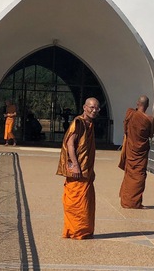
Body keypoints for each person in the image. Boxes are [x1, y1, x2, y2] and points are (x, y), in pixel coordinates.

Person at [57, 97, 100, 239]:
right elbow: (70, 144)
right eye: (91, 107)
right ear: (84, 107)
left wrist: (91, 169)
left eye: (97, 108)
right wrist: (75, 166)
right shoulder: (78, 123)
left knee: (85, 203)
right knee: (74, 202)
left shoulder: (89, 124)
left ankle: (83, 230)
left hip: (86, 171)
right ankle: (74, 230)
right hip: (77, 170)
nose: (94, 110)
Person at [118, 95, 154, 209]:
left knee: (130, 174)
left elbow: (126, 130)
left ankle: (126, 200)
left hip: (131, 150)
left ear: (137, 103)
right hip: (141, 152)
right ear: (148, 105)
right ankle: (134, 202)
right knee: (139, 176)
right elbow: (150, 135)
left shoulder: (130, 114)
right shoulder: (150, 119)